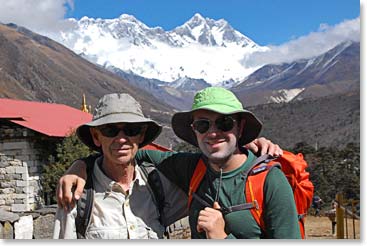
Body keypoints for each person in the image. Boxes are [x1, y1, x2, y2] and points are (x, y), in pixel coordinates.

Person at [58, 87, 299, 239]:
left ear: (240, 127)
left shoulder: (269, 180)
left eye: (224, 123)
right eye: (203, 125)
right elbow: (130, 154)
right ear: (195, 131)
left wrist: (222, 238)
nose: (213, 132)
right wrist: (80, 166)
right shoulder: (191, 169)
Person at [53, 93, 188, 239]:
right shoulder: (76, 195)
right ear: (96, 136)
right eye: (110, 130)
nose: (122, 139)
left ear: (141, 135)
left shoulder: (158, 185)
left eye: (131, 130)